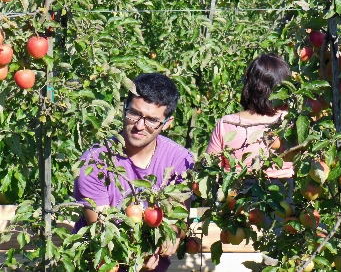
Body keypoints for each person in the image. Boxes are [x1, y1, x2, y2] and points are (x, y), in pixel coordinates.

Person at [73, 73, 194, 271]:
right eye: (134, 114)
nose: (139, 126)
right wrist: (137, 258)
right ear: (124, 108)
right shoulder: (94, 162)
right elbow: (104, 234)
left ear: (168, 123)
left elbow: (179, 221)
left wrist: (172, 234)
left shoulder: (180, 161)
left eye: (152, 120)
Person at [206, 53, 294, 204]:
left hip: (235, 202)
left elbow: (210, 171)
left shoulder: (227, 124)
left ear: (250, 86)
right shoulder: (290, 121)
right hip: (282, 203)